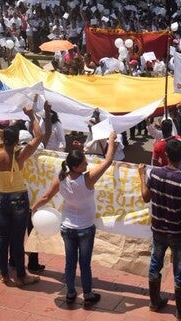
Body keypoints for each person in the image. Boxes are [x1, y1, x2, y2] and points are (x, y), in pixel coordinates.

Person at [31, 130, 118, 306]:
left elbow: (46, 197)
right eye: (84, 163)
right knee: (84, 264)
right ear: (77, 166)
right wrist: (110, 140)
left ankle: (70, 293)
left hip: (67, 227)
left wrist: (34, 208)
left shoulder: (61, 178)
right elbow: (108, 161)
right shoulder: (88, 179)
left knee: (70, 262)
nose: (87, 165)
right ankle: (87, 294)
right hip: (85, 228)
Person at [0, 104, 44, 287]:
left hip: (0, 199)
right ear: (17, 141)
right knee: (17, 240)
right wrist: (32, 115)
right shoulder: (19, 156)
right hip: (18, 200)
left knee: (3, 238)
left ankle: (4, 275)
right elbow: (39, 136)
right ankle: (22, 276)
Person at [138, 138, 181, 318]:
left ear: (166, 155)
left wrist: (141, 176)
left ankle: (154, 302)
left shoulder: (154, 173)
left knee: (155, 263)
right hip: (177, 231)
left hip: (158, 229)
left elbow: (146, 197)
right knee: (179, 269)